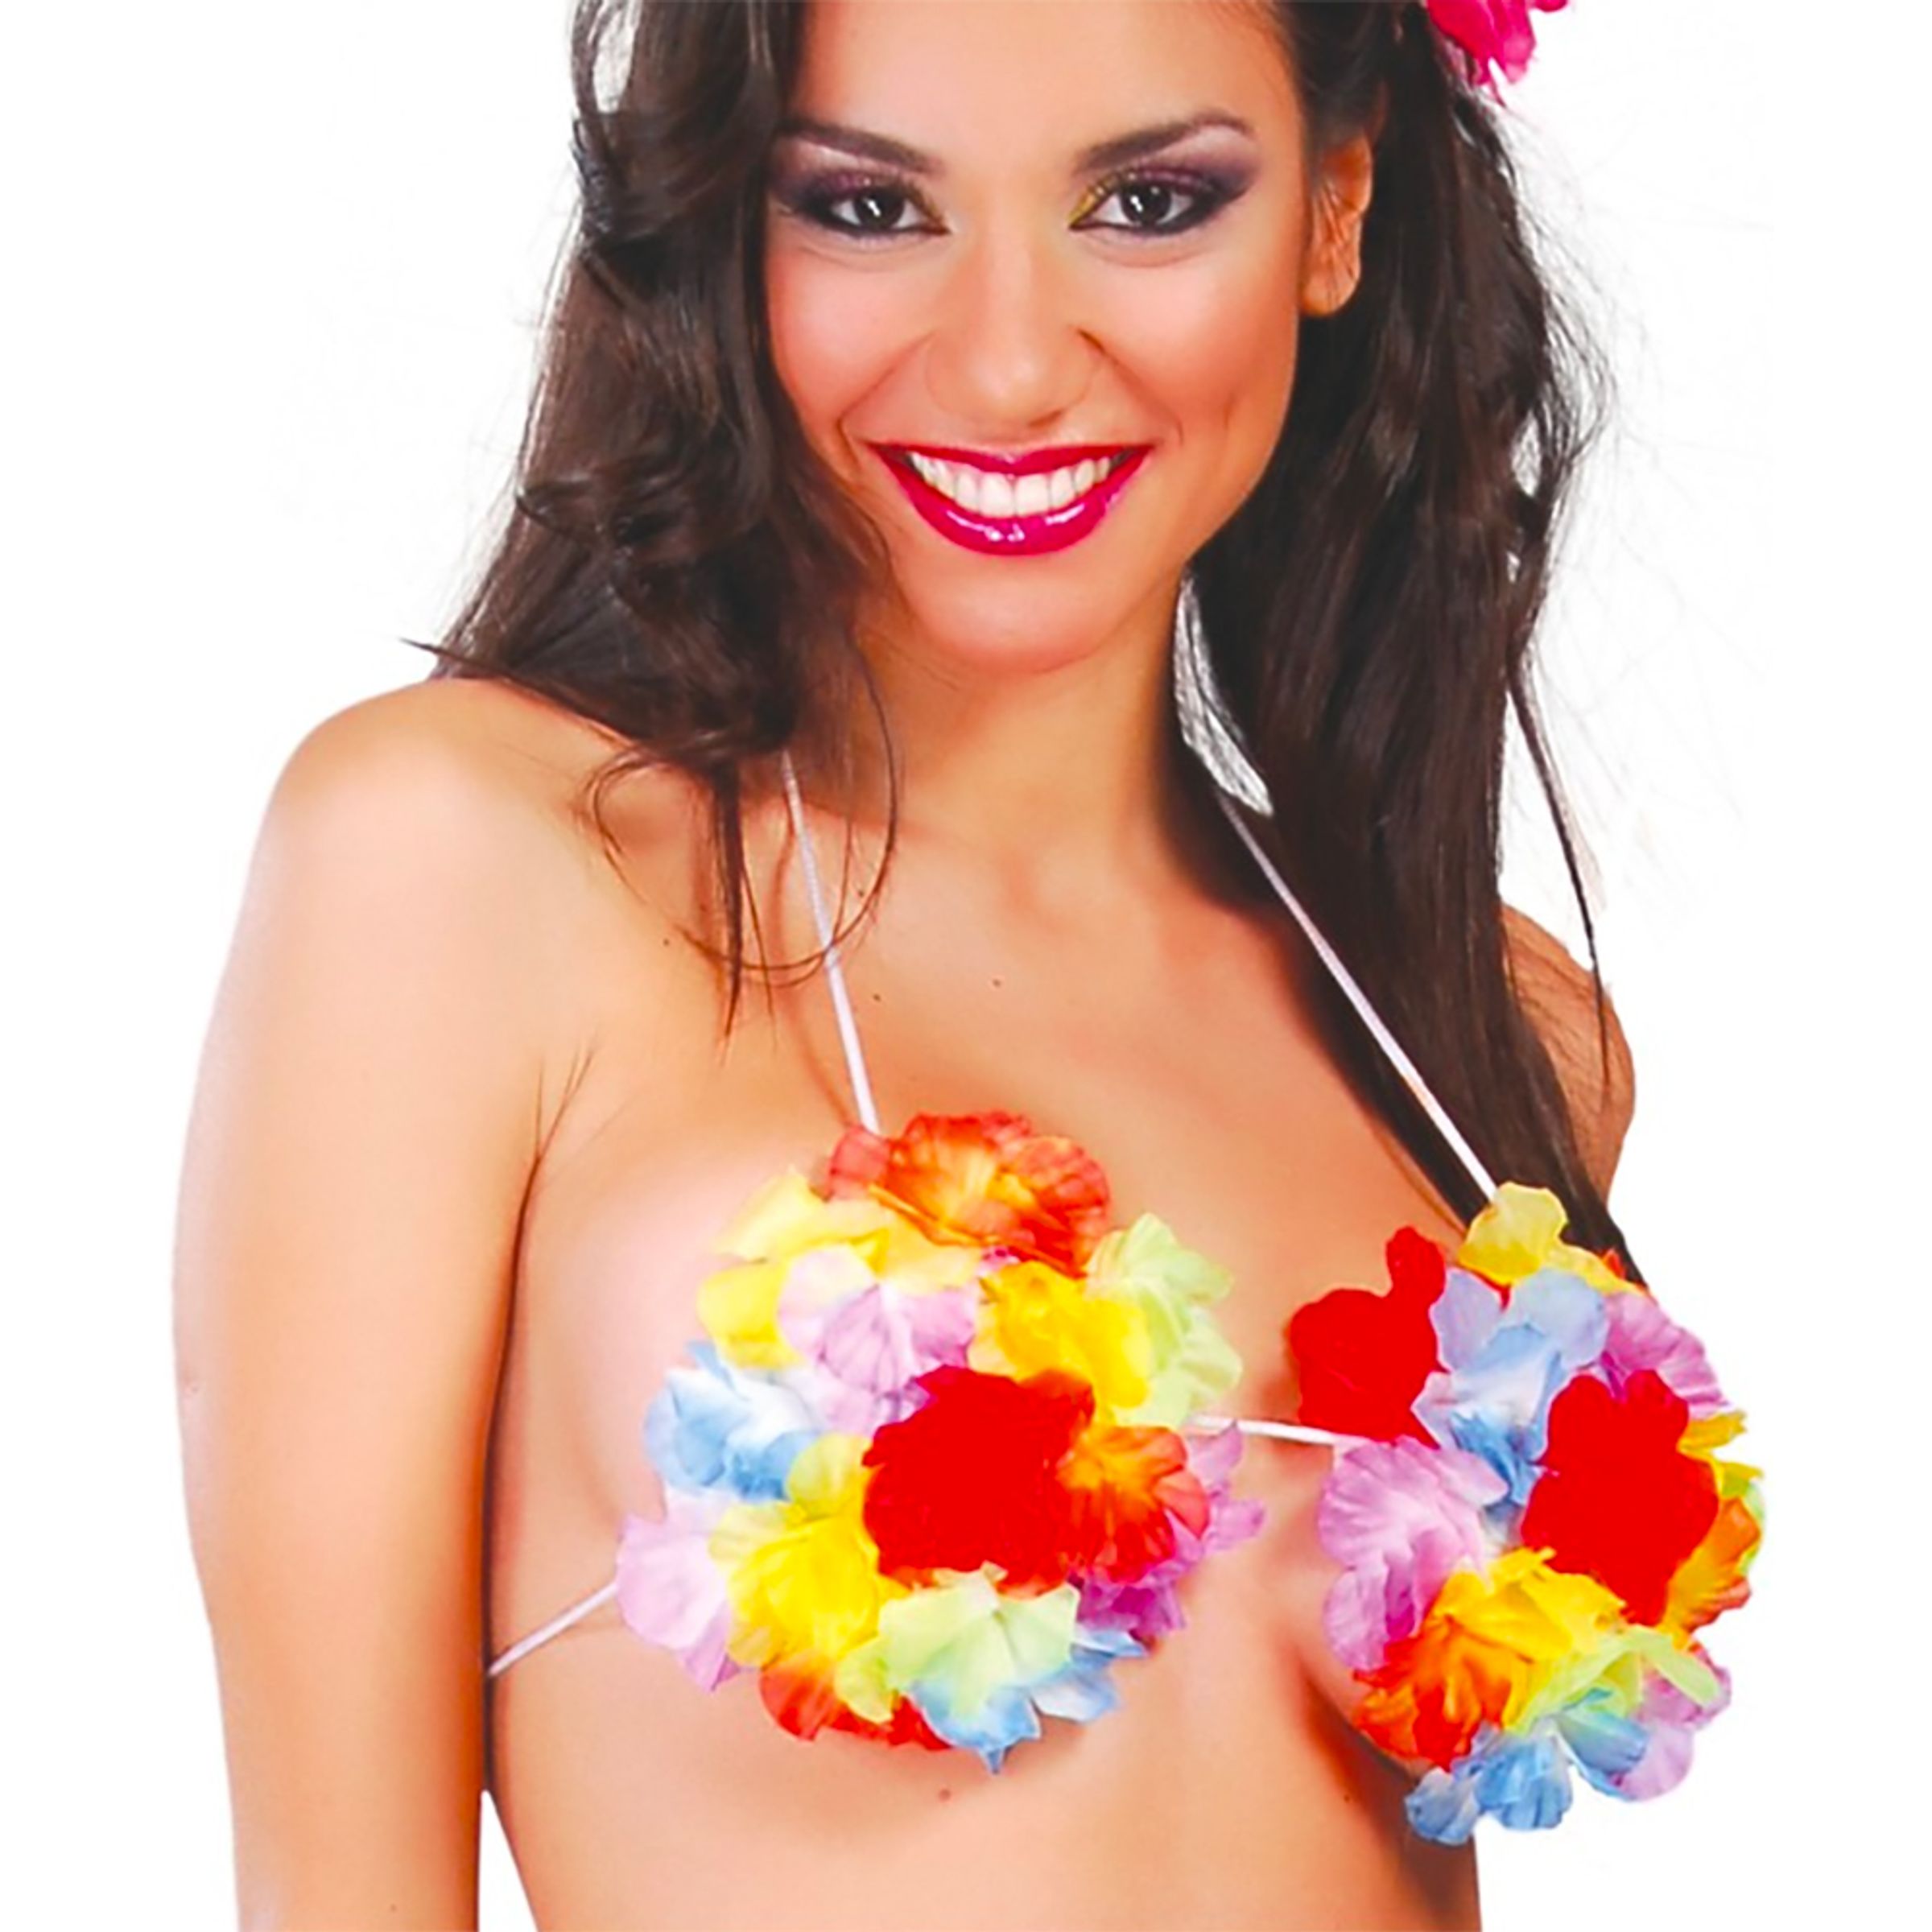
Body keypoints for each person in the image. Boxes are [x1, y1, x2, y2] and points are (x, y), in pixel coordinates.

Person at [173, 2, 1643, 1926]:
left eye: (1148, 202)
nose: (1012, 362)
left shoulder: (1494, 1028)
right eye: (871, 208)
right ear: (730, 228)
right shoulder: (465, 867)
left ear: (1336, 206)